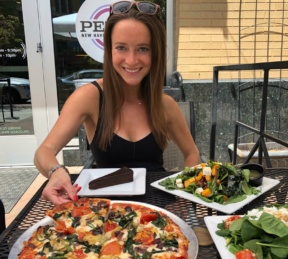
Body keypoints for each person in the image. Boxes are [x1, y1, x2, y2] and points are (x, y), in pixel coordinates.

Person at [34, 0, 201, 205]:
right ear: (109, 49)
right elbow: (44, 151)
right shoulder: (89, 97)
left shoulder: (165, 104)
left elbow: (191, 152)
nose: (131, 60)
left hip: (159, 214)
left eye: (143, 49)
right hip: (106, 216)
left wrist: (185, 192)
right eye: (121, 47)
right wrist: (56, 171)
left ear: (155, 52)